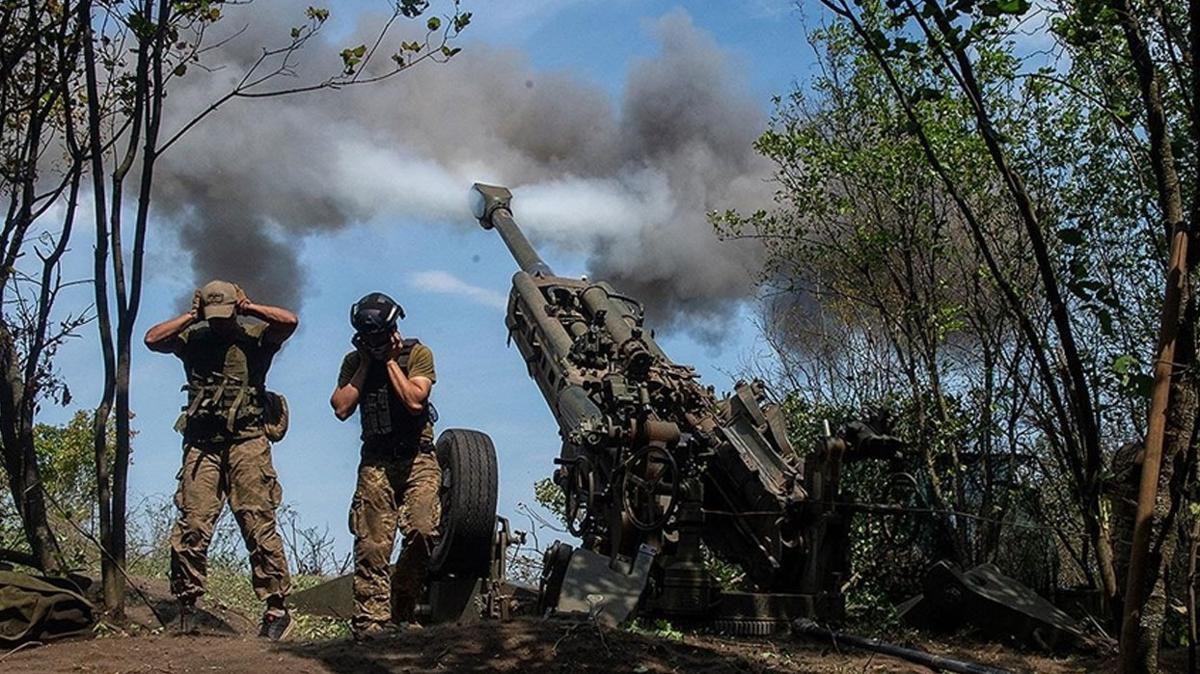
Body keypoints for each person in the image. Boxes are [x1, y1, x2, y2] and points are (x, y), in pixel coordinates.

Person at [144, 280, 298, 640]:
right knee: (192, 525)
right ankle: (187, 606)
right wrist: (191, 316)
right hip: (202, 444)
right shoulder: (193, 339)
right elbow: (152, 340)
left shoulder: (255, 338)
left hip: (247, 441)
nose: (218, 322)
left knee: (257, 524)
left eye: (224, 314)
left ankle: (277, 610)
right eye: (212, 316)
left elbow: (289, 321)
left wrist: (250, 307)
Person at [330, 292, 439, 639]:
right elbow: (341, 407)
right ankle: (370, 621)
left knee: (423, 529)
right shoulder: (353, 362)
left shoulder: (416, 354)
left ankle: (402, 608)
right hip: (376, 460)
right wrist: (366, 364)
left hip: (417, 457)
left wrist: (390, 362)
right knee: (373, 543)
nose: (376, 343)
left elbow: (413, 400)